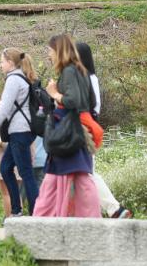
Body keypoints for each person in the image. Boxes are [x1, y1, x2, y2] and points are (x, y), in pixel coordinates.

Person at [33, 34, 100, 218]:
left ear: (58, 50)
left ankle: (43, 217)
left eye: (50, 51)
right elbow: (91, 102)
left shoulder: (69, 71)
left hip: (68, 131)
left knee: (60, 178)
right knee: (78, 178)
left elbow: (73, 100)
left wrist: (54, 93)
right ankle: (88, 217)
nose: (49, 55)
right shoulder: (80, 70)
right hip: (77, 130)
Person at [76, 42, 133, 220]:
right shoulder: (91, 77)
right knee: (85, 173)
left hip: (85, 128)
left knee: (87, 173)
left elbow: (90, 107)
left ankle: (113, 209)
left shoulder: (85, 78)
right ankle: (107, 210)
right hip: (90, 126)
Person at [0, 48, 39, 218]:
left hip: (20, 131)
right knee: (5, 168)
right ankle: (16, 209)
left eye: (2, 61)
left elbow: (4, 109)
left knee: (26, 173)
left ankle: (36, 212)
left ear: (10, 63)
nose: (0, 65)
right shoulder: (19, 78)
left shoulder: (13, 80)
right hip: (19, 132)